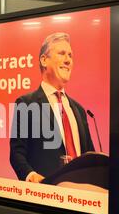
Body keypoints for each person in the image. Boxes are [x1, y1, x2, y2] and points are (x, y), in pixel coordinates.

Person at [10, 32, 94, 183]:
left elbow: (90, 156)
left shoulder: (79, 110)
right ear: (44, 60)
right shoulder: (27, 103)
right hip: (46, 196)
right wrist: (31, 176)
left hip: (81, 197)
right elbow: (17, 153)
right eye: (62, 53)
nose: (68, 60)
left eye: (70, 55)